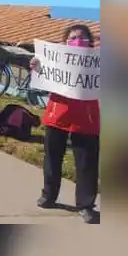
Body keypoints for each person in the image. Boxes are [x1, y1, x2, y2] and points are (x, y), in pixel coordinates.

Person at [29, 24, 101, 224]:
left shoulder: (98, 62)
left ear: (90, 42)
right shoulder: (56, 60)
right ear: (64, 42)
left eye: (81, 37)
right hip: (58, 115)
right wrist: (36, 66)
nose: (77, 40)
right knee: (52, 157)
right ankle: (49, 195)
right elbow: (43, 75)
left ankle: (86, 205)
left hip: (86, 119)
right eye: (72, 37)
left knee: (87, 163)